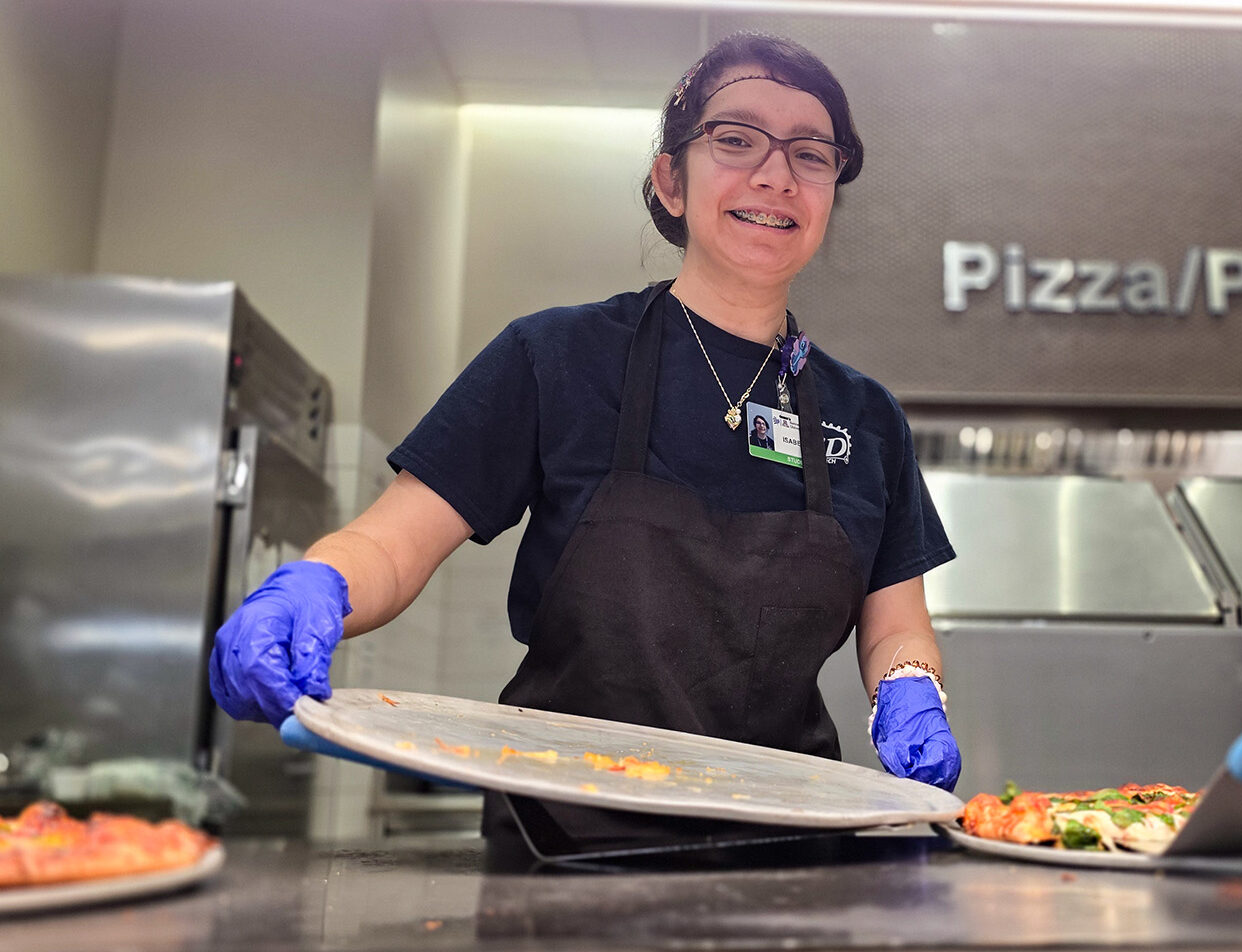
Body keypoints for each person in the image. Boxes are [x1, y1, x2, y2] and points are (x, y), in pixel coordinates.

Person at [208, 32, 960, 860]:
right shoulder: (555, 359)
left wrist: (909, 686)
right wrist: (316, 585)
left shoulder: (869, 418)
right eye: (736, 140)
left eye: (810, 155)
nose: (776, 175)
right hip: (569, 843)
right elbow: (392, 546)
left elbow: (895, 625)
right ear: (669, 181)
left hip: (787, 849)